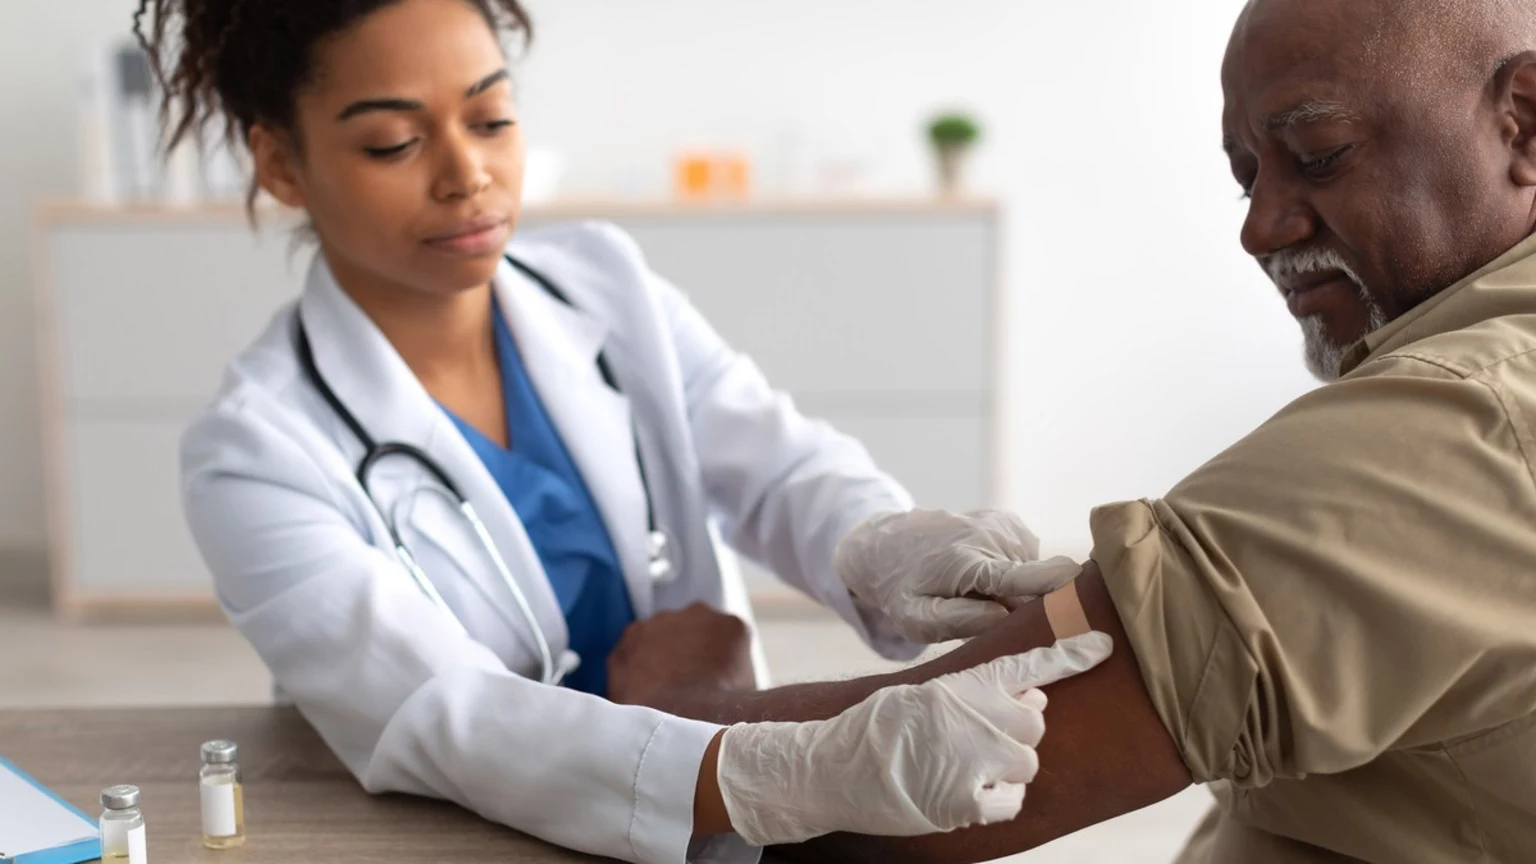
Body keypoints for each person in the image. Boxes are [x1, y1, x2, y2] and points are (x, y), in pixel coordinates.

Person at [139, 0, 1115, 861]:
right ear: (280, 164)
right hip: (484, 830)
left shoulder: (602, 283)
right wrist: (786, 772)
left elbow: (771, 463)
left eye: (492, 117)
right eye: (395, 141)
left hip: (715, 773)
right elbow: (440, 716)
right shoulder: (254, 456)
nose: (468, 174)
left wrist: (881, 547)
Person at [614, 0, 1536, 861]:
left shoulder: (1459, 419)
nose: (1260, 228)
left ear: (1524, 122)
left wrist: (668, 708)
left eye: (1319, 153)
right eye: (1246, 175)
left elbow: (906, 799)